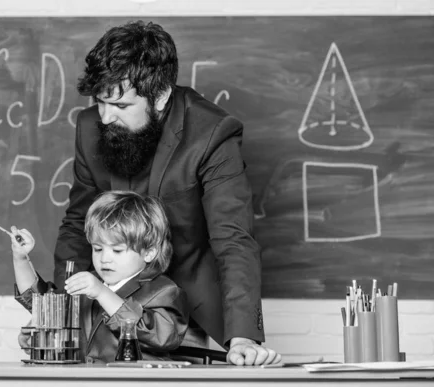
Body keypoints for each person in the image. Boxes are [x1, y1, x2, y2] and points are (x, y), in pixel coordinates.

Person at [14, 20, 281, 366]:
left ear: (161, 96)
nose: (105, 117)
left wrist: (243, 335)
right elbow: (76, 224)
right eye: (100, 101)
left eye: (121, 106)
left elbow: (234, 239)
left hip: (194, 315)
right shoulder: (89, 125)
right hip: (112, 314)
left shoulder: (213, 133)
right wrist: (60, 315)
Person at [12, 190, 188, 363]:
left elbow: (163, 337)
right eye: (97, 249)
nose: (104, 258)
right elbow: (44, 305)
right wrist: (21, 259)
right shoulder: (90, 283)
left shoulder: (165, 291)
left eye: (117, 250)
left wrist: (102, 293)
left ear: (149, 252)